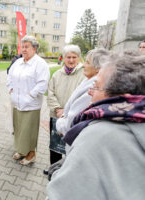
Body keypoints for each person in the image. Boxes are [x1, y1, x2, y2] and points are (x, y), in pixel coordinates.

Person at [47, 54, 145, 200]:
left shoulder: (98, 135)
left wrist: (65, 170)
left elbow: (62, 194)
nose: (89, 92)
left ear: (121, 98)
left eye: (97, 86)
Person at [7, 35, 50, 165]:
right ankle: (21, 150)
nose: (24, 50)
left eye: (27, 47)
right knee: (19, 128)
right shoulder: (18, 62)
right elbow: (10, 77)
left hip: (31, 104)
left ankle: (31, 154)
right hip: (17, 102)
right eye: (22, 47)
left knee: (29, 130)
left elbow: (42, 84)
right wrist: (11, 90)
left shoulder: (40, 64)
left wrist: (29, 96)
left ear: (34, 48)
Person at [46, 45, 85, 171]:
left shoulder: (83, 75)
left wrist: (67, 112)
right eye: (68, 57)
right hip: (56, 116)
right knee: (54, 146)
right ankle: (54, 168)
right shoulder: (57, 74)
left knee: (71, 146)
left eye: (74, 57)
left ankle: (67, 172)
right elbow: (50, 92)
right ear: (63, 58)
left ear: (79, 58)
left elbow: (82, 97)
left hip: (73, 118)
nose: (71, 60)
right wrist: (58, 109)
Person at [56, 48, 110, 138]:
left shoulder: (94, 87)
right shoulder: (87, 80)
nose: (83, 65)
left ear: (98, 68)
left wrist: (60, 121)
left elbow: (73, 120)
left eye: (87, 62)